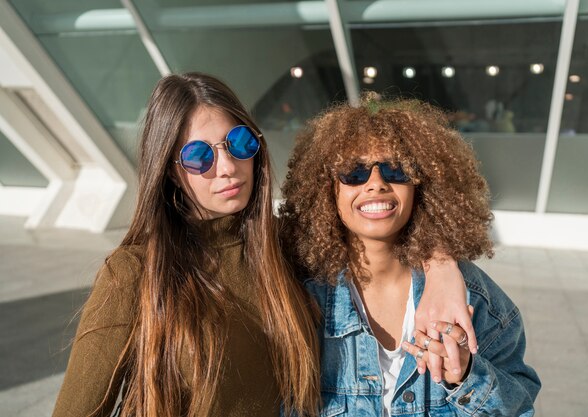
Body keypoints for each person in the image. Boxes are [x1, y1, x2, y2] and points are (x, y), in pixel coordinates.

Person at [52, 73, 472, 417]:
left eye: (239, 144)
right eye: (199, 156)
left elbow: (379, 221)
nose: (228, 167)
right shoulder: (134, 272)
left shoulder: (285, 246)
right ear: (170, 170)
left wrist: (442, 269)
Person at [280, 98, 541, 416]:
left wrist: (466, 376)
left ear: (423, 186)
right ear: (326, 188)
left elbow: (520, 408)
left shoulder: (474, 299)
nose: (376, 184)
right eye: (354, 172)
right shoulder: (300, 296)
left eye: (396, 169)